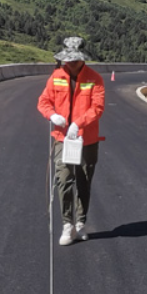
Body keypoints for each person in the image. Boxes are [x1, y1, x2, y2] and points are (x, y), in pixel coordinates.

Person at [37, 36, 106, 245]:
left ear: (83, 58)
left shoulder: (95, 79)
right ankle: (67, 224)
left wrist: (78, 123)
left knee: (84, 182)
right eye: (68, 59)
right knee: (64, 180)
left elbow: (97, 107)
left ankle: (81, 223)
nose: (71, 63)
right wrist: (51, 115)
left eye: (74, 59)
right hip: (62, 139)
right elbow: (43, 102)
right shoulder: (56, 77)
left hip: (87, 139)